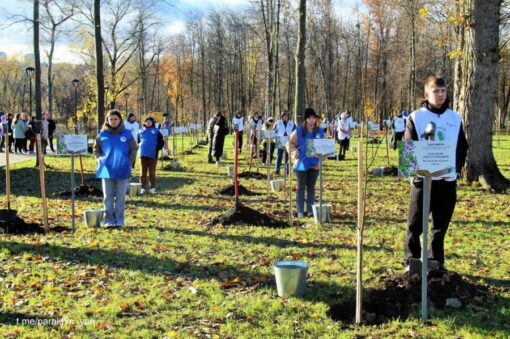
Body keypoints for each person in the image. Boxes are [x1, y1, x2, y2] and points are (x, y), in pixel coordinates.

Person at [404, 75, 468, 272]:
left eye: (443, 91)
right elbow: (409, 150)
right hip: (423, 181)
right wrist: (417, 173)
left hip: (446, 182)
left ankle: (436, 261)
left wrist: (453, 169)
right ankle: (412, 261)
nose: (440, 95)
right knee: (415, 224)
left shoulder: (454, 118)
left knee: (440, 227)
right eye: (436, 91)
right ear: (426, 94)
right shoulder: (416, 117)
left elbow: (462, 147)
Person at [93, 110, 137, 227]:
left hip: (123, 169)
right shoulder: (102, 134)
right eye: (111, 119)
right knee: (108, 196)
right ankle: (108, 220)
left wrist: (129, 161)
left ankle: (119, 220)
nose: (113, 121)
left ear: (120, 120)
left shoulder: (127, 134)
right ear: (107, 120)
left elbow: (134, 148)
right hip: (106, 170)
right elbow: (96, 148)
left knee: (120, 197)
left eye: (115, 119)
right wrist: (99, 159)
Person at [287, 107, 325, 218]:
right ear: (306, 120)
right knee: (301, 187)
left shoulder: (320, 132)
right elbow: (289, 144)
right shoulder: (299, 131)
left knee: (311, 188)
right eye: (310, 118)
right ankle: (299, 211)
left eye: (314, 118)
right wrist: (294, 153)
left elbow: (326, 146)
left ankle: (310, 211)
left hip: (315, 164)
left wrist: (324, 156)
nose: (312, 120)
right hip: (301, 164)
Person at [138, 117, 164, 194]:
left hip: (153, 155)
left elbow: (161, 142)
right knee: (143, 172)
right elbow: (138, 141)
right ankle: (142, 187)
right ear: (144, 122)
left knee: (152, 172)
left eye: (150, 121)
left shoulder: (157, 131)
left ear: (152, 123)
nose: (148, 122)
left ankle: (152, 187)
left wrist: (156, 149)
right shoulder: (140, 131)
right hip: (142, 154)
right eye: (146, 121)